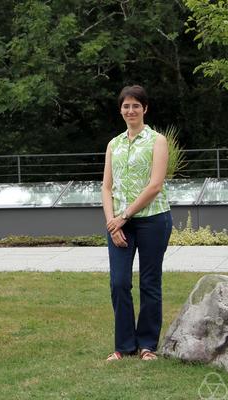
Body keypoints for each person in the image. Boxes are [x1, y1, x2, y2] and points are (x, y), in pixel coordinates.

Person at [102, 85, 172, 362]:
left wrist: (124, 216)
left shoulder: (157, 141)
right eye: (126, 106)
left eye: (136, 106)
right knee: (119, 282)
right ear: (120, 110)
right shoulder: (114, 144)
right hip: (119, 223)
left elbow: (155, 185)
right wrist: (113, 222)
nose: (131, 110)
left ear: (145, 109)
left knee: (149, 282)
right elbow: (106, 187)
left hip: (153, 220)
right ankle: (123, 346)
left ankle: (147, 346)